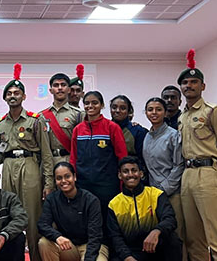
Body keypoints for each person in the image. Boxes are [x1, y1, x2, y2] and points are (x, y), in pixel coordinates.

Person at [177, 49, 217, 261]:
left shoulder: (214, 111)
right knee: (194, 238)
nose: (189, 86)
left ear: (203, 86)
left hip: (209, 173)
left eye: (193, 82)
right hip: (188, 175)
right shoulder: (182, 117)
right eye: (185, 83)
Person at [0, 63, 53, 261]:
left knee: (32, 222)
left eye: (16, 93)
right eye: (9, 93)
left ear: (24, 96)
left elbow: (46, 154)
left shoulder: (35, 120)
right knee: (9, 222)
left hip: (29, 167)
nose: (13, 96)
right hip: (8, 167)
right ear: (5, 98)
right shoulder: (0, 124)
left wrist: (48, 183)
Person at [106, 157, 182, 261]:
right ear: (120, 175)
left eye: (134, 170)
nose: (130, 174)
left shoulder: (156, 195)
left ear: (141, 174)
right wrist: (126, 257)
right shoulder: (114, 204)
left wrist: (156, 231)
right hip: (133, 252)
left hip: (155, 248)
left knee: (173, 241)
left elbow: (170, 219)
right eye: (126, 171)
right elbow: (115, 236)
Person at [38, 162, 108, 261]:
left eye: (67, 176)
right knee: (44, 243)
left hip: (91, 246)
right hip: (70, 248)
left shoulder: (91, 200)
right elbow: (42, 224)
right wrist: (57, 237)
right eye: (59, 178)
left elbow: (95, 238)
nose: (64, 181)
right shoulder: (52, 199)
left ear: (74, 177)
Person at [143, 97, 187, 261]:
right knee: (158, 240)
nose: (154, 113)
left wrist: (165, 188)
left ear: (164, 112)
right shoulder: (147, 136)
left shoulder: (173, 135)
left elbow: (179, 164)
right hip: (153, 196)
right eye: (150, 109)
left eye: (158, 109)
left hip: (171, 193)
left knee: (175, 240)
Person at [70, 91, 128, 221]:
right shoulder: (78, 130)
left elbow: (122, 157)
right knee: (86, 219)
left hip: (107, 184)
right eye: (87, 103)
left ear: (102, 105)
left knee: (107, 220)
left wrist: (122, 182)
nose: (90, 106)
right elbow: (73, 158)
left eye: (94, 103)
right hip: (83, 184)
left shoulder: (112, 127)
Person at [40, 72, 83, 165]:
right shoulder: (41, 116)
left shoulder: (79, 114)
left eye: (63, 85)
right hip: (48, 162)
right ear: (51, 90)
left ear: (69, 89)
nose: (60, 88)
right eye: (56, 85)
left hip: (70, 161)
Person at [110, 95, 148, 166]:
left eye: (123, 108)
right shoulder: (104, 129)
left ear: (129, 111)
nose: (117, 111)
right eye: (114, 107)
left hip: (129, 171)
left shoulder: (138, 131)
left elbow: (142, 158)